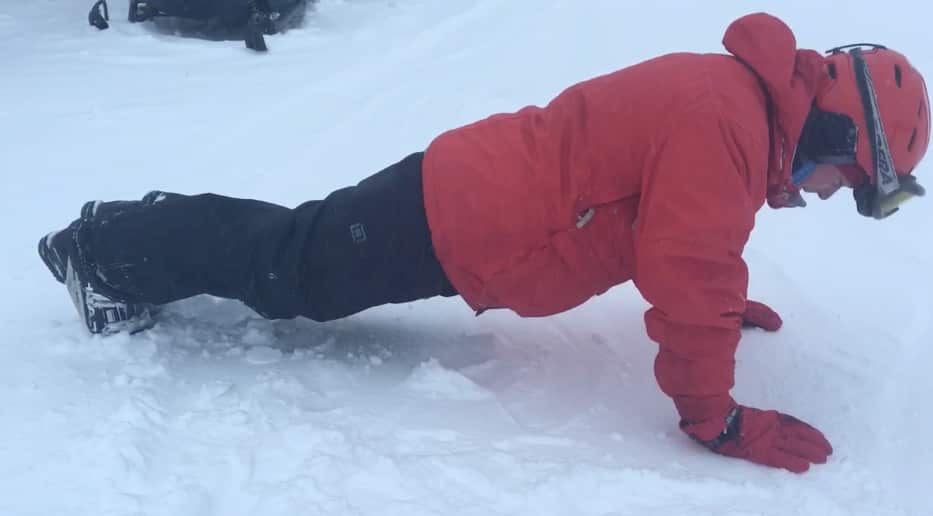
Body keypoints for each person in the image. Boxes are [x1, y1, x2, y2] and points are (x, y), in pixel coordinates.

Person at [38, 12, 929, 473]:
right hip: (465, 218)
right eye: (849, 186)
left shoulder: (739, 109)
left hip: (477, 200)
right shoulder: (728, 130)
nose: (826, 198)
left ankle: (132, 232)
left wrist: (721, 299)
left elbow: (690, 247)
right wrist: (718, 419)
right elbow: (687, 269)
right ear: (838, 138)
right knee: (289, 272)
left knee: (296, 247)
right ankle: (104, 250)